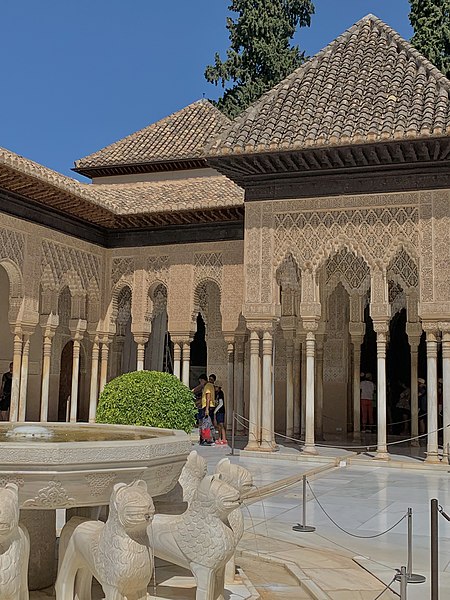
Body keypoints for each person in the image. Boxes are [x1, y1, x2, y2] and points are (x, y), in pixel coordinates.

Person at [199, 373, 215, 446]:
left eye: (200, 381)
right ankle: (207, 439)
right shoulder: (209, 385)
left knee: (206, 424)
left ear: (203, 380)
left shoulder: (207, 386)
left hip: (207, 406)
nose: (200, 383)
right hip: (208, 406)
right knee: (208, 423)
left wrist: (207, 409)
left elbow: (208, 397)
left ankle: (206, 439)